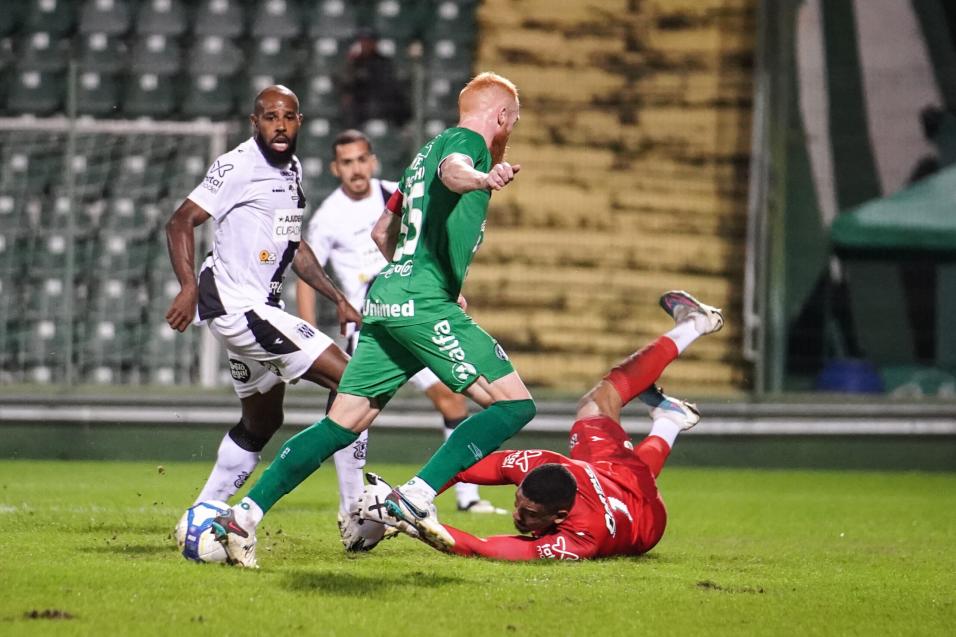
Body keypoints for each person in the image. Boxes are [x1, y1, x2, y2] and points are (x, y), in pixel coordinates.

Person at [213, 72, 533, 568]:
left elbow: (385, 230)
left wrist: (428, 280)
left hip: (387, 298)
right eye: (513, 120)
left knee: (344, 421)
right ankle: (416, 495)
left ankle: (243, 517)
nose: (511, 129)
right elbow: (454, 171)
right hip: (420, 301)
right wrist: (482, 179)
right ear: (503, 115)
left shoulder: (418, 157)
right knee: (514, 406)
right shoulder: (467, 143)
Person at [356, 290, 724, 560]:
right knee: (598, 407)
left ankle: (681, 376)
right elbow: (461, 467)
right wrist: (411, 495)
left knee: (622, 452)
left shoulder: (584, 537)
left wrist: (419, 527)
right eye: (519, 505)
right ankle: (677, 388)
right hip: (612, 475)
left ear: (560, 516)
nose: (518, 516)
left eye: (531, 515)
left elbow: (486, 549)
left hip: (644, 522)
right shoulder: (542, 463)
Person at [164, 85, 361, 514]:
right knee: (354, 383)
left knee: (263, 421)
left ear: (299, 122)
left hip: (257, 310)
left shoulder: (292, 170)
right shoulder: (238, 165)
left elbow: (294, 247)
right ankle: (353, 508)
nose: (280, 125)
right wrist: (187, 287)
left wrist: (338, 297)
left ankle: (202, 513)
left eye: (288, 116)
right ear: (255, 123)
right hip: (239, 309)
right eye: (270, 117)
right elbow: (181, 221)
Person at [296, 128, 502, 520]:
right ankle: (351, 503)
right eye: (346, 163)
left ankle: (467, 496)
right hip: (374, 322)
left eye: (361, 160)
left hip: (416, 310)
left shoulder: (396, 192)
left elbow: (425, 239)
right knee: (354, 415)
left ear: (372, 161)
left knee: (452, 398)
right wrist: (310, 333)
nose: (355, 169)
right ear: (335, 168)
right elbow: (309, 272)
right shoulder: (328, 217)